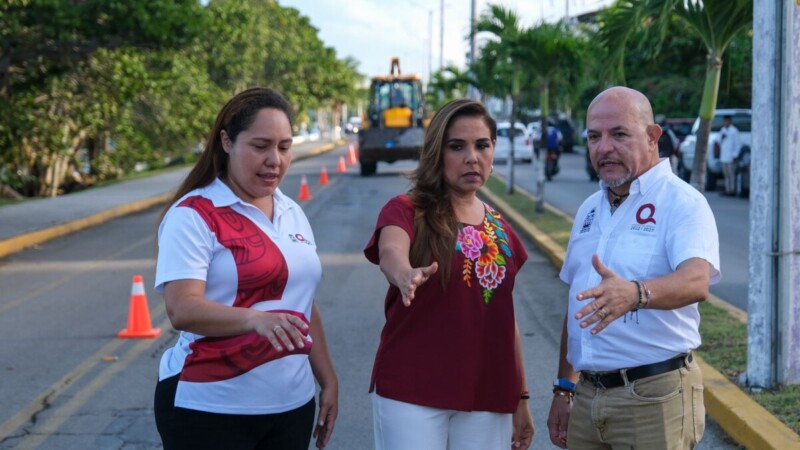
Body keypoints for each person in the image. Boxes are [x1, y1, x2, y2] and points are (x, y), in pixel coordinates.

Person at [153, 87, 338, 450]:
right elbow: (181, 308)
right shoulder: (193, 214)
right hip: (208, 405)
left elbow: (302, 302)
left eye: (284, 147)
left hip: (292, 405)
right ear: (226, 141)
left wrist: (327, 379)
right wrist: (254, 318)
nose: (275, 160)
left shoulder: (292, 211)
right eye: (260, 146)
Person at [546, 87, 720, 449]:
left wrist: (635, 294)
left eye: (619, 134)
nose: (603, 147)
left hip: (655, 398)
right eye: (594, 136)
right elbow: (576, 307)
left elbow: (696, 280)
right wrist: (564, 388)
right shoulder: (589, 209)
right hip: (587, 396)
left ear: (653, 136)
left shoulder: (683, 203)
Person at [364, 99, 535, 450]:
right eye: (457, 146)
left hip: (488, 394)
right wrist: (403, 274)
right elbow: (390, 250)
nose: (472, 157)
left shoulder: (501, 229)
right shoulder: (406, 210)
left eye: (482, 145)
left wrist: (521, 397)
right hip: (413, 391)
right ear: (436, 153)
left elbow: (505, 318)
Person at [719, 114, 740, 196]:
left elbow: (737, 144)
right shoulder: (722, 130)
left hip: (731, 157)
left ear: (730, 121)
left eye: (727, 121)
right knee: (726, 174)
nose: (725, 122)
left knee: (731, 174)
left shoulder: (734, 131)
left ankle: (732, 190)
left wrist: (735, 155)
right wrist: (722, 137)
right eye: (724, 121)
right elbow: (719, 141)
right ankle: (727, 189)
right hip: (723, 156)